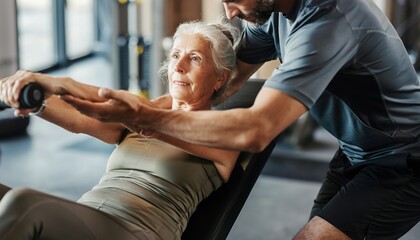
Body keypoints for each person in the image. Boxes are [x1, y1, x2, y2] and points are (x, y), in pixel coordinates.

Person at [57, 0, 420, 239]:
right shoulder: (273, 13)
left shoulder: (327, 24)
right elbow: (224, 80)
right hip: (356, 151)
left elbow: (256, 129)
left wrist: (143, 118)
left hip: (403, 159)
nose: (229, 11)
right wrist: (171, 98)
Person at [0, 21, 240, 240]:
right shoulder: (140, 113)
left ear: (220, 77)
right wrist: (25, 95)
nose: (178, 66)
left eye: (195, 58)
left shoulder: (223, 134)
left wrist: (62, 84)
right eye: (176, 55)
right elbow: (76, 118)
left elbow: (141, 120)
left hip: (140, 231)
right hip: (86, 218)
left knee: (24, 203)